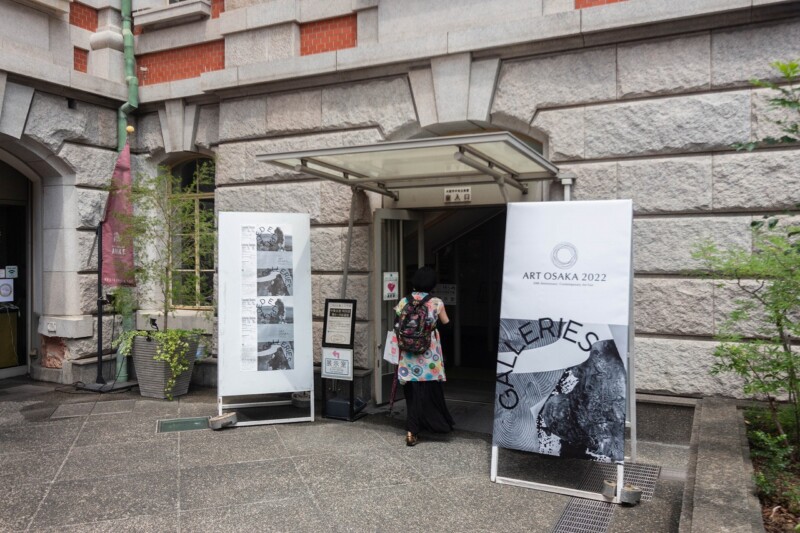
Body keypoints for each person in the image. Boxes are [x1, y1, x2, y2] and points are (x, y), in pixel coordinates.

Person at [394, 266, 454, 446]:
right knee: (429, 391)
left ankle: (412, 430)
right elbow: (447, 325)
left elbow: (397, 325)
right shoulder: (436, 302)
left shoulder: (404, 301)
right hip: (429, 354)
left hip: (408, 353)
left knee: (411, 393)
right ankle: (433, 423)